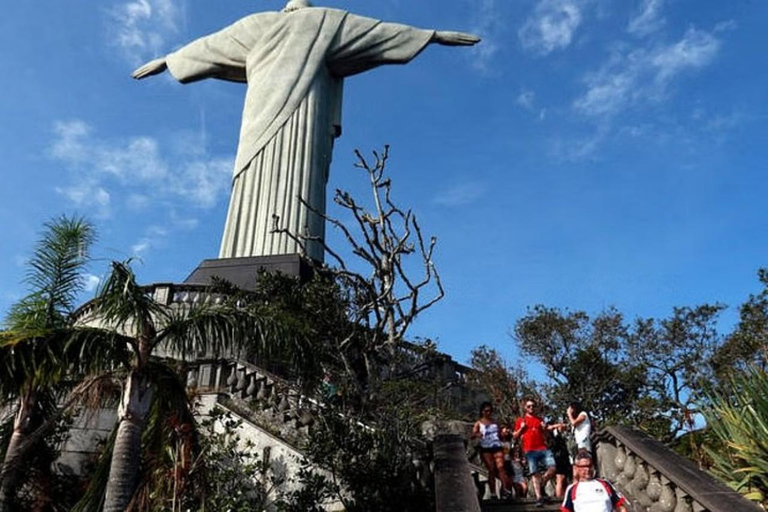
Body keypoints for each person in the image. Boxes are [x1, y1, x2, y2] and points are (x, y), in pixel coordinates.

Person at [132, 0, 479, 262]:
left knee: (296, 177)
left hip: (301, 117)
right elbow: (212, 46)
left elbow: (376, 34)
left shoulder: (315, 21)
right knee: (255, 178)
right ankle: (242, 256)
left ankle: (290, 252)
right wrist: (431, 36)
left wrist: (169, 59)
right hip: (261, 119)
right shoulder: (284, 22)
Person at [513, 398, 558, 507]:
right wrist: (521, 428)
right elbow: (515, 436)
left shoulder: (540, 419)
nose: (531, 408)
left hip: (542, 448)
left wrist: (544, 429)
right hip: (529, 449)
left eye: (533, 406)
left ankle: (542, 482)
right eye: (529, 406)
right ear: (525, 408)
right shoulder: (521, 420)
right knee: (534, 472)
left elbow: (546, 435)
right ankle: (539, 497)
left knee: (552, 468)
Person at [561, 450, 628, 512]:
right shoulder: (572, 489)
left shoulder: (605, 484)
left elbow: (620, 506)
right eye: (584, 466)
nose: (587, 469)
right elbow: (566, 510)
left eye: (590, 466)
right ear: (576, 468)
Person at [472, 402, 512, 499]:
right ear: (482, 411)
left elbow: (499, 435)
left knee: (501, 467)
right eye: (486, 411)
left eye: (490, 411)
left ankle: (505, 489)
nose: (488, 413)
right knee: (491, 469)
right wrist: (477, 434)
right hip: (486, 447)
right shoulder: (478, 423)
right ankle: (493, 492)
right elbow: (473, 434)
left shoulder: (495, 423)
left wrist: (504, 435)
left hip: (496, 446)